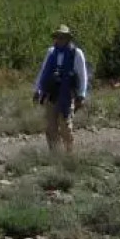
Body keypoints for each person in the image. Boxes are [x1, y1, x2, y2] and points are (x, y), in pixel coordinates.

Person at [33, 24, 89, 153]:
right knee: (50, 127)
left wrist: (82, 94)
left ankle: (69, 153)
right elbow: (43, 71)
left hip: (67, 95)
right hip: (51, 93)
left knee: (65, 126)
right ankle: (55, 154)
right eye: (58, 37)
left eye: (62, 37)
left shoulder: (76, 53)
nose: (59, 39)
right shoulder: (51, 52)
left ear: (68, 38)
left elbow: (82, 74)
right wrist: (37, 89)